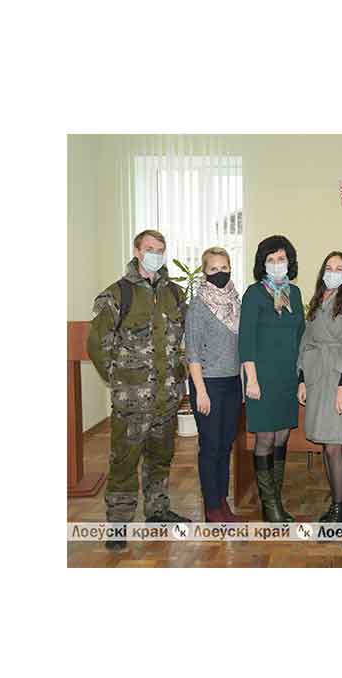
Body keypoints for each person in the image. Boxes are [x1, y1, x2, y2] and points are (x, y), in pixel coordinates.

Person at [86, 230, 192, 552]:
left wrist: (180, 373)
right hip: (132, 402)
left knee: (160, 459)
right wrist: (120, 380)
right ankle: (118, 524)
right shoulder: (118, 294)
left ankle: (157, 511)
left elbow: (184, 340)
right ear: (137, 251)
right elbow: (97, 344)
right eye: (149, 249)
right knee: (123, 463)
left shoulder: (174, 294)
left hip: (166, 399)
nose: (155, 254)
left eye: (160, 249)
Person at [296, 252, 342, 522]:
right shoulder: (318, 301)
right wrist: (301, 378)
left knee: (334, 446)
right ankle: (339, 502)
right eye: (329, 267)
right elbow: (306, 340)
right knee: (326, 445)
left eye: (339, 268)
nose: (333, 272)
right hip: (317, 377)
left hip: (341, 381)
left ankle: (339, 510)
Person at [239, 235, 305, 522]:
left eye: (281, 259)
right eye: (271, 259)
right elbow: (246, 340)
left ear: (289, 262)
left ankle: (274, 500)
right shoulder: (254, 294)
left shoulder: (295, 294)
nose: (277, 264)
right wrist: (251, 379)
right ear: (262, 264)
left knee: (282, 436)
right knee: (265, 437)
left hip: (287, 376)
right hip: (262, 377)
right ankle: (271, 507)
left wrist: (301, 378)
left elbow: (301, 337)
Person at [185, 246, 245, 523]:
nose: (220, 273)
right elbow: (193, 352)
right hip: (208, 384)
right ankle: (212, 508)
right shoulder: (198, 306)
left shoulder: (236, 302)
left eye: (224, 268)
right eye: (213, 269)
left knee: (225, 445)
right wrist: (200, 392)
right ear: (204, 272)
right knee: (210, 447)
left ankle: (222, 502)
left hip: (232, 384)